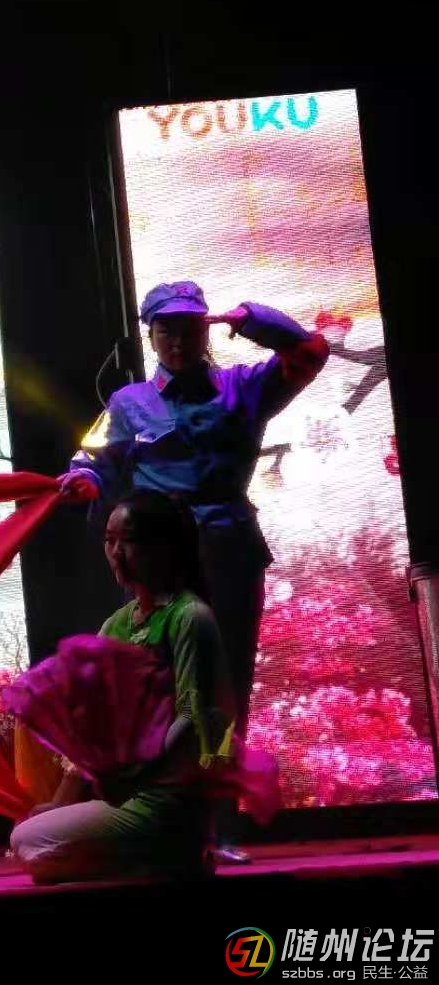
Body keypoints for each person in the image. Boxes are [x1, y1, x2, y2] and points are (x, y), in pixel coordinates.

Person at [59, 281, 328, 862]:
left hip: (229, 551)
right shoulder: (129, 402)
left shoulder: (243, 387)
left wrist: (246, 316)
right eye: (167, 331)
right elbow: (92, 459)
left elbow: (309, 351)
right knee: (153, 690)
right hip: (160, 561)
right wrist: (84, 482)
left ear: (205, 332)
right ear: (150, 336)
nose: (178, 341)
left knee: (223, 690)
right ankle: (156, 821)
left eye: (189, 328)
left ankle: (218, 828)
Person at [10, 490, 236, 883]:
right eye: (109, 540)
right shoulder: (116, 624)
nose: (116, 553)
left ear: (164, 547)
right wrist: (61, 803)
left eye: (128, 541)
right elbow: (90, 727)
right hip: (125, 795)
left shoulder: (190, 617)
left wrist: (135, 776)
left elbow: (192, 717)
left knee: (34, 846)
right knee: (27, 840)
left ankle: (178, 849)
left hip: (167, 796)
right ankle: (157, 860)